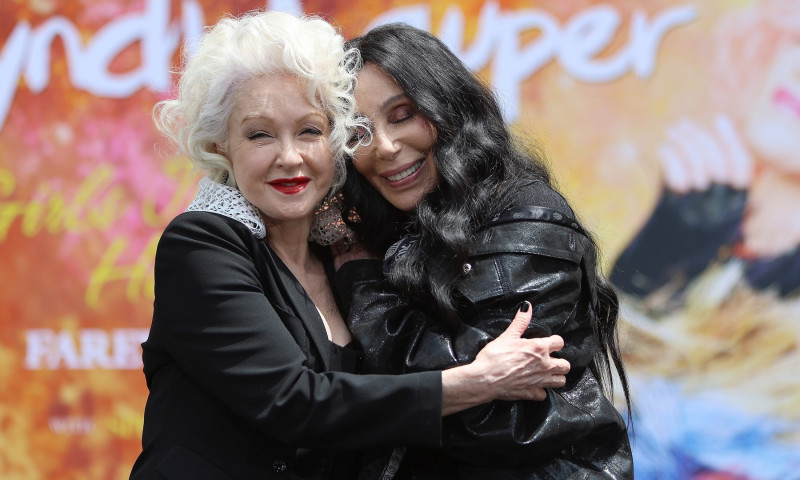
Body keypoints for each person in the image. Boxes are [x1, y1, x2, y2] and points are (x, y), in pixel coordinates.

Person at [129, 10, 572, 480]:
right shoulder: (203, 245)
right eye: (260, 134)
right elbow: (293, 403)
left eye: (309, 130)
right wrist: (474, 382)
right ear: (222, 149)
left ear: (337, 141)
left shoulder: (347, 254)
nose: (290, 156)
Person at [334, 23, 633, 479]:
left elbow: (488, 413)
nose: (386, 147)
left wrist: (362, 284)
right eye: (358, 132)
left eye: (402, 114)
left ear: (449, 107)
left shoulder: (526, 215)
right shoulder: (382, 231)